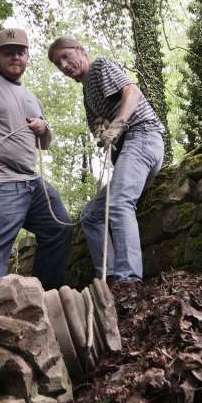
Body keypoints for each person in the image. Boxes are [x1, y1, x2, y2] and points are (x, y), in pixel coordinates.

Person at [0, 28, 71, 290]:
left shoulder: (32, 98)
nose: (15, 57)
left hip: (31, 181)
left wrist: (44, 129)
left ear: (28, 56)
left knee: (60, 229)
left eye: (20, 52)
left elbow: (45, 144)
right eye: (8, 53)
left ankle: (42, 298)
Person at [48, 36, 165, 287]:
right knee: (91, 215)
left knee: (120, 201)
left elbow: (132, 92)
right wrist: (101, 131)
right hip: (128, 150)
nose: (65, 65)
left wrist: (119, 123)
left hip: (143, 137)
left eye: (66, 56)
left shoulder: (100, 67)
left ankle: (129, 280)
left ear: (80, 50)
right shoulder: (86, 92)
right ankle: (109, 277)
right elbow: (96, 125)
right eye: (59, 63)